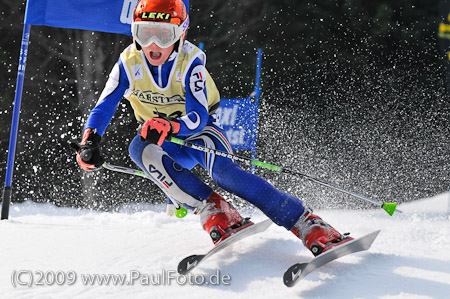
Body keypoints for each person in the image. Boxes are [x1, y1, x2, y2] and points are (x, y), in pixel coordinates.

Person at [71, 0, 353, 256]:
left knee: (227, 176)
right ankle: (213, 209)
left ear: (180, 34)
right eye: (145, 34)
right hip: (165, 142)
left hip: (200, 135)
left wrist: (169, 126)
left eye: (164, 35)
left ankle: (308, 224)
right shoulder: (128, 62)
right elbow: (103, 107)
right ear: (135, 33)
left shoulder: (190, 61)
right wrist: (90, 141)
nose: (154, 44)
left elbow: (198, 118)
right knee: (139, 148)